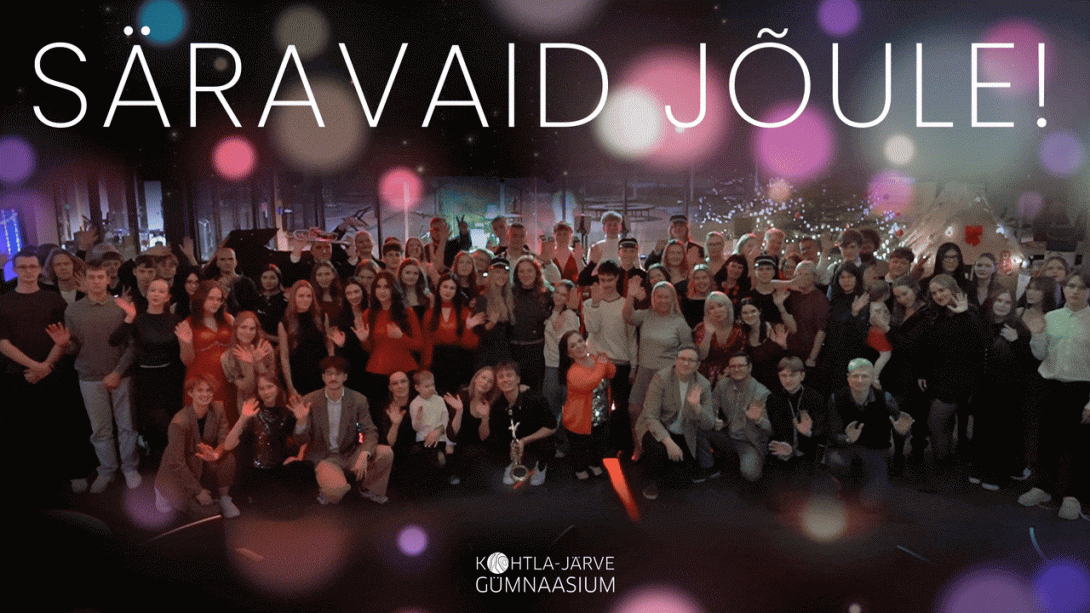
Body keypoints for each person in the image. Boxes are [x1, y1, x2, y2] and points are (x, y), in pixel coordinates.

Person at [0, 249, 91, 497]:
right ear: (14, 270)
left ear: (40, 269)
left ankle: (66, 474)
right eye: (23, 267)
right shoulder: (4, 301)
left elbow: (62, 338)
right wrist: (34, 366)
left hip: (54, 373)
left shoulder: (54, 300)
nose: (28, 271)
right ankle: (30, 480)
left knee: (59, 425)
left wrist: (46, 366)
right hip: (17, 375)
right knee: (24, 429)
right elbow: (3, 343)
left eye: (32, 267)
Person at [1019, 271, 1090, 520]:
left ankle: (1072, 496)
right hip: (1049, 386)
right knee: (1045, 440)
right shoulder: (1052, 317)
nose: (1074, 291)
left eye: (1081, 287)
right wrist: (1038, 334)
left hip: (1080, 389)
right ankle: (1042, 487)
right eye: (1070, 286)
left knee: (1077, 445)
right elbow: (1040, 355)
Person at [64, 262, 140, 493]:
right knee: (100, 429)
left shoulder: (121, 307)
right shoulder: (73, 310)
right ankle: (107, 470)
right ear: (84, 281)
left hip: (121, 375)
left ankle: (130, 468)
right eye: (92, 277)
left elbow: (133, 345)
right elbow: (74, 348)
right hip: (89, 377)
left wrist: (117, 372)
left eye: (100, 277)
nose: (96, 282)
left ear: (108, 280)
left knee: (127, 426)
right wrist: (64, 345)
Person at [293, 356, 394, 505]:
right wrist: (301, 421)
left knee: (386, 452)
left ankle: (368, 489)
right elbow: (300, 441)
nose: (333, 378)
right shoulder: (310, 400)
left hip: (350, 453)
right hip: (325, 458)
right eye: (329, 373)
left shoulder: (358, 399)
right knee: (336, 493)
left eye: (338, 374)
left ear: (345, 377)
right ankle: (330, 486)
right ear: (323, 377)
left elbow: (369, 431)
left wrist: (364, 454)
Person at [111, 278, 183, 467]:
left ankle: (174, 468)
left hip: (170, 379)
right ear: (146, 293)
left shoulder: (175, 320)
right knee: (153, 426)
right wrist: (129, 317)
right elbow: (114, 341)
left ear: (168, 297)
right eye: (153, 290)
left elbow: (180, 352)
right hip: (145, 381)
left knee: (171, 426)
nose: (156, 294)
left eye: (161, 291)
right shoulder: (138, 319)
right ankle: (158, 469)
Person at [918, 274, 988, 464]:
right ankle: (946, 458)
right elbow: (930, 347)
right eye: (934, 293)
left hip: (958, 380)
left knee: (935, 422)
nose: (938, 295)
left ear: (953, 289)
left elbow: (979, 344)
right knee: (945, 423)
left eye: (942, 290)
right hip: (939, 377)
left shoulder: (970, 313)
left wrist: (964, 314)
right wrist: (924, 372)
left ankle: (941, 462)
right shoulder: (938, 313)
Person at [825, 358, 913, 508]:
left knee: (871, 504)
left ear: (872, 378)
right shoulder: (836, 398)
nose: (860, 380)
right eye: (855, 376)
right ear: (848, 378)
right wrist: (848, 439)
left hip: (875, 451)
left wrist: (902, 431)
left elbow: (901, 426)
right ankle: (845, 484)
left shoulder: (885, 398)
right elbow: (833, 432)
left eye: (865, 376)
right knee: (836, 461)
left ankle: (867, 482)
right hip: (847, 450)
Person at [969, 289, 1032, 490]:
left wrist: (1017, 341)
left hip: (1007, 390)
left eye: (1007, 302)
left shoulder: (1019, 328)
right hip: (983, 386)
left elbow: (1028, 363)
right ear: (992, 302)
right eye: (999, 300)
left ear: (1012, 306)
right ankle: (979, 468)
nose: (1002, 305)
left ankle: (996, 474)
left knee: (1000, 433)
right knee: (981, 430)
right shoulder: (984, 323)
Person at [624, 279, 693, 456]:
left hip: (666, 375)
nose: (662, 300)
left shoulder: (679, 322)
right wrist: (630, 296)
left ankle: (662, 450)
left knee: (660, 415)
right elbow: (628, 317)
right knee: (634, 410)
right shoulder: (647, 315)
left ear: (673, 299)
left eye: (666, 297)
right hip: (644, 372)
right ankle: (638, 446)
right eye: (658, 296)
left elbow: (689, 349)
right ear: (653, 298)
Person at [154, 375, 239, 518]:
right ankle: (162, 492)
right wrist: (198, 491)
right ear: (190, 393)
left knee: (227, 458)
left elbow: (224, 440)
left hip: (199, 463)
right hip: (177, 471)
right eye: (200, 390)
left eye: (209, 390)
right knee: (210, 512)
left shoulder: (218, 408)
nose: (205, 394)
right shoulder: (179, 422)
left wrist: (216, 454)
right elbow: (176, 462)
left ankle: (224, 497)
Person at [636, 345, 714, 500]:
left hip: (684, 434)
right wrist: (669, 443)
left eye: (691, 360)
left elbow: (709, 424)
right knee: (657, 451)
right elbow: (651, 417)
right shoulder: (661, 378)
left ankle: (667, 467)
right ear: (675, 360)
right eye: (682, 358)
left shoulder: (703, 384)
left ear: (697, 364)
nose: (685, 363)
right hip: (657, 428)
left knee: (681, 481)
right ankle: (651, 481)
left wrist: (697, 407)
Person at [583, 260, 638, 453]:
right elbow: (592, 328)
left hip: (620, 363)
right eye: (602, 280)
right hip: (596, 363)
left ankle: (620, 449)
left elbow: (631, 338)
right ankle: (599, 449)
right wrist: (595, 304)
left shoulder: (625, 305)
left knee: (620, 409)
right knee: (598, 409)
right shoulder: (590, 304)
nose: (606, 284)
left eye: (609, 279)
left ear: (617, 278)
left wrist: (634, 367)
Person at [699, 353, 772, 483]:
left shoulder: (762, 393)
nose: (736, 369)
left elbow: (772, 430)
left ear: (749, 367)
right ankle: (710, 466)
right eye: (733, 366)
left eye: (740, 366)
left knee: (751, 474)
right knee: (696, 425)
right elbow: (711, 407)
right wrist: (714, 418)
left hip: (748, 442)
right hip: (727, 435)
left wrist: (758, 419)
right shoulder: (723, 384)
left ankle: (742, 460)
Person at [489, 361, 556, 486]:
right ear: (497, 383)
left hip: (533, 440)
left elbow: (551, 427)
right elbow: (495, 432)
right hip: (513, 444)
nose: (505, 379)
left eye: (509, 375)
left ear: (518, 379)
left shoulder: (536, 399)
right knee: (494, 441)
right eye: (501, 377)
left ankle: (540, 465)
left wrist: (524, 440)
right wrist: (510, 447)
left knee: (546, 444)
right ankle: (511, 463)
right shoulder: (497, 405)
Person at [559, 331, 615, 480]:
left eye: (580, 341)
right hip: (579, 420)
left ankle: (594, 463)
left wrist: (605, 360)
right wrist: (602, 364)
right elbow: (591, 382)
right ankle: (580, 468)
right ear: (569, 354)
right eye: (573, 345)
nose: (579, 346)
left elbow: (611, 373)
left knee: (599, 444)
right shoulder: (573, 372)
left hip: (601, 416)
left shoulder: (596, 360)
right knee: (581, 449)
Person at [766, 357, 826, 481]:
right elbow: (775, 430)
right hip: (782, 450)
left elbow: (822, 431)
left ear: (802, 376)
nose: (787, 380)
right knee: (772, 482)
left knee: (800, 482)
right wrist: (786, 447)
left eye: (792, 375)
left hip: (807, 453)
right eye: (783, 375)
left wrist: (808, 432)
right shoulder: (773, 399)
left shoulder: (815, 398)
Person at [178, 281, 234, 410]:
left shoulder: (228, 319)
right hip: (200, 379)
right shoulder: (188, 323)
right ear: (201, 298)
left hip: (226, 376)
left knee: (227, 415)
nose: (215, 303)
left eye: (219, 299)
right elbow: (187, 361)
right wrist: (186, 343)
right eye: (211, 298)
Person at [421, 274, 478, 394]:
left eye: (452, 288)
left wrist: (468, 328)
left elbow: (471, 344)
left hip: (460, 362)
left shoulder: (465, 312)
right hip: (437, 363)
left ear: (457, 291)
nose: (448, 291)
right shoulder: (429, 313)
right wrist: (425, 368)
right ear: (439, 288)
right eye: (445, 286)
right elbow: (427, 343)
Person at [278, 280, 331, 399]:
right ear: (294, 297)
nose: (305, 299)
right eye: (301, 296)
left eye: (308, 296)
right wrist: (290, 387)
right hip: (298, 376)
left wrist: (331, 372)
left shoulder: (322, 316)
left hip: (321, 374)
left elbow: (329, 345)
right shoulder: (285, 321)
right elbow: (284, 357)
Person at [220, 311, 276, 413]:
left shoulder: (265, 348)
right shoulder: (227, 357)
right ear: (235, 329)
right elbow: (244, 386)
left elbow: (271, 381)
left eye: (252, 329)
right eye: (243, 327)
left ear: (256, 330)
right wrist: (249, 365)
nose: (247, 332)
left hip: (270, 400)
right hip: (247, 402)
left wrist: (258, 362)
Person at [542, 279, 581, 418]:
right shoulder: (551, 310)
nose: (558, 296)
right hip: (550, 364)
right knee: (551, 408)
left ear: (569, 298)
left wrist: (557, 330)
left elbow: (569, 344)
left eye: (563, 295)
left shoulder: (570, 315)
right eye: (557, 292)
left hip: (561, 367)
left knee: (560, 409)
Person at [693, 291, 744, 385]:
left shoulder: (738, 329)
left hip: (733, 374)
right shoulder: (701, 329)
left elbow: (742, 356)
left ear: (728, 307)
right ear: (708, 312)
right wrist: (708, 333)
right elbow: (701, 356)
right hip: (705, 378)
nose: (717, 310)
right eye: (711, 308)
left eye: (720, 305)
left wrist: (728, 372)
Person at [204, 247, 259, 314]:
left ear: (236, 262)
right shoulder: (212, 284)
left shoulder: (248, 283)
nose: (227, 262)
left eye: (230, 259)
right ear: (217, 263)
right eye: (222, 259)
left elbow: (252, 310)